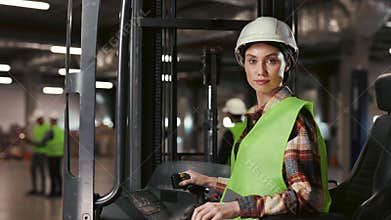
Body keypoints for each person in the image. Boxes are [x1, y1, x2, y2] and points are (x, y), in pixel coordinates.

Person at [179, 17, 331, 219]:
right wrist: (207, 181)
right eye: (252, 61)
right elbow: (251, 184)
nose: (260, 71)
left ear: (288, 64)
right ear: (243, 64)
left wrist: (236, 208)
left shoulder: (294, 118)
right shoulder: (256, 117)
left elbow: (305, 196)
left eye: (271, 60)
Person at [26, 111, 50, 196]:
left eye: (39, 119)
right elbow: (35, 140)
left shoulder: (47, 127)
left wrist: (31, 142)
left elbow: (43, 142)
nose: (38, 120)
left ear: (42, 118)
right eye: (37, 119)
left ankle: (43, 190)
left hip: (43, 153)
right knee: (32, 170)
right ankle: (35, 189)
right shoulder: (36, 127)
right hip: (35, 152)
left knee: (42, 171)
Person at [217, 98, 247, 164]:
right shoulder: (250, 128)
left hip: (232, 170)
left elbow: (222, 157)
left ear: (229, 114)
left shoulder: (229, 133)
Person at [45, 113, 64, 197]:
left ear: (52, 120)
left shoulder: (51, 130)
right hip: (59, 154)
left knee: (52, 174)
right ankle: (60, 191)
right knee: (58, 173)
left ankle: (53, 191)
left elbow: (44, 141)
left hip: (52, 154)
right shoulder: (60, 130)